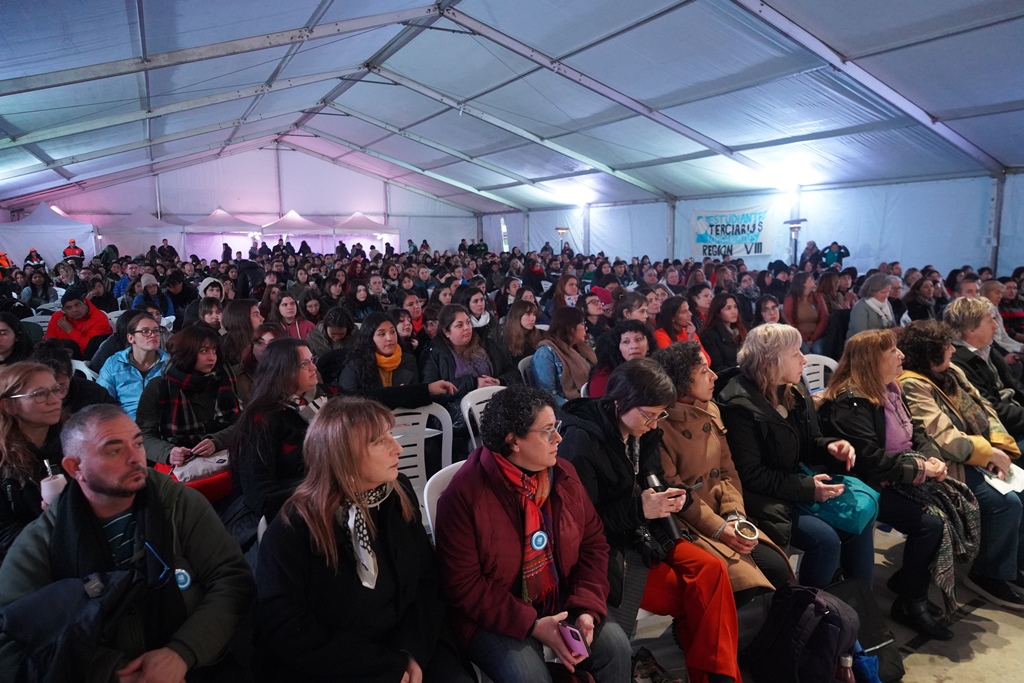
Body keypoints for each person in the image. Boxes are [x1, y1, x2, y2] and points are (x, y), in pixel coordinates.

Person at [0, 404, 253, 681]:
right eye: (114, 449)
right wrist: (115, 673)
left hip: (195, 667)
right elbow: (10, 634)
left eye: (138, 443)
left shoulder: (178, 504)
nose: (135, 458)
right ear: (75, 467)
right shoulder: (44, 539)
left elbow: (231, 577)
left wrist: (182, 652)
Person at [255, 397, 473, 682]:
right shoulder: (293, 529)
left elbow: (427, 581)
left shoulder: (396, 495)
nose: (398, 448)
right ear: (342, 456)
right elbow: (286, 629)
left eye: (391, 436)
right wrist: (384, 668)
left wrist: (411, 653)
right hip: (342, 667)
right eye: (379, 441)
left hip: (410, 645)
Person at [559, 359, 742, 683]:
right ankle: (716, 676)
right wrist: (639, 509)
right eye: (649, 415)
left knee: (711, 569)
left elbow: (650, 479)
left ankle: (719, 674)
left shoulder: (643, 432)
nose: (655, 424)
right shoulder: (581, 441)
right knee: (695, 597)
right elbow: (581, 523)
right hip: (611, 548)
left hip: (647, 531)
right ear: (619, 403)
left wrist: (678, 496)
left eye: (660, 415)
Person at [434, 384, 631, 683]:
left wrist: (587, 608)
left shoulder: (562, 475)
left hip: (558, 596)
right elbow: (464, 585)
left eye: (557, 427)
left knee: (615, 648)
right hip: (495, 613)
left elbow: (593, 544)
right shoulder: (464, 496)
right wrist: (533, 624)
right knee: (527, 675)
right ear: (513, 442)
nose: (559, 438)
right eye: (547, 431)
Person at [820, 330, 976, 639]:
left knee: (956, 502)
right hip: (866, 483)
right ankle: (910, 601)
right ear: (871, 361)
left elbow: (917, 432)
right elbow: (870, 460)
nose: (901, 355)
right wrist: (921, 468)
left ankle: (909, 583)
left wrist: (932, 460)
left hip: (899, 473)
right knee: (931, 523)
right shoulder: (852, 401)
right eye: (892, 351)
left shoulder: (890, 389)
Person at [718, 324, 875, 588]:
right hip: (762, 499)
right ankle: (808, 613)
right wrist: (807, 488)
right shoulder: (739, 405)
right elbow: (750, 475)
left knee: (859, 516)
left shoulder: (792, 388)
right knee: (825, 541)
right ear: (771, 362)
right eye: (796, 353)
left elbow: (809, 441)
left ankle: (860, 606)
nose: (804, 359)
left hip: (794, 484)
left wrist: (831, 446)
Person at [897, 320, 1024, 609]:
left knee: (1022, 489)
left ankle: (1013, 565)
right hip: (947, 464)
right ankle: (987, 574)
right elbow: (943, 438)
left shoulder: (951, 371)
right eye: (947, 347)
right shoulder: (912, 384)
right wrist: (988, 453)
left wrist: (1000, 446)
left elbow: (984, 409)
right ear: (930, 355)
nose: (953, 350)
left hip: (979, 453)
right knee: (1006, 503)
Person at [652, 342, 793, 603]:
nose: (714, 376)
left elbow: (727, 470)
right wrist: (720, 529)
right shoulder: (659, 427)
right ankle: (706, 636)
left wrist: (734, 515)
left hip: (724, 512)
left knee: (777, 568)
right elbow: (678, 494)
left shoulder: (710, 409)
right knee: (741, 585)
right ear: (682, 380)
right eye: (704, 371)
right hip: (692, 523)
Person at [231, 338, 327, 526]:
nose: (313, 367)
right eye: (304, 364)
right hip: (292, 514)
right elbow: (259, 493)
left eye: (312, 360)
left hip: (328, 500)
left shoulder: (323, 400)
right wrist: (318, 496)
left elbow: (369, 397)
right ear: (284, 371)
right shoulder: (261, 418)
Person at [135, 324, 240, 470]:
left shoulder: (222, 379)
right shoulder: (159, 387)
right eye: (203, 351)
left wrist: (217, 440)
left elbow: (241, 423)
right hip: (178, 466)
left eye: (214, 351)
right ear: (187, 352)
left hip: (222, 458)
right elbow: (144, 435)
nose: (212, 358)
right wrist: (168, 452)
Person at [420, 304, 521, 437]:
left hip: (495, 402)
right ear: (446, 332)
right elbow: (432, 392)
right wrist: (473, 383)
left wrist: (499, 381)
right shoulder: (434, 354)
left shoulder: (486, 344)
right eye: (459, 325)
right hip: (459, 416)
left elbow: (513, 371)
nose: (467, 328)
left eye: (468, 322)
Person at [0, 363, 65, 564]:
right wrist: (48, 525)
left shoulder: (74, 441)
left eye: (56, 390)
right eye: (40, 394)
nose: (55, 400)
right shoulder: (4, 459)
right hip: (21, 562)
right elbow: (3, 533)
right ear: (9, 406)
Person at [945, 296, 1024, 439]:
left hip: (1015, 415)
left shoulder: (987, 348)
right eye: (990, 320)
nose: (996, 325)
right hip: (1001, 431)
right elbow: (988, 410)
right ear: (970, 329)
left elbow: (1014, 387)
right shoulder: (957, 363)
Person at [337, 312, 455, 409]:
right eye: (381, 334)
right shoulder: (355, 364)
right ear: (369, 339)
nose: (390, 338)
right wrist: (408, 392)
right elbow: (351, 403)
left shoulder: (408, 360)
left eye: (392, 332)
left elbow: (414, 402)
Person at [96, 312, 168, 420]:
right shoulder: (114, 363)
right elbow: (102, 401)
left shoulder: (170, 364)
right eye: (145, 331)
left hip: (161, 425)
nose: (153, 335)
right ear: (130, 338)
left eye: (156, 330)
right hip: (125, 425)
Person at [531, 307, 596, 405]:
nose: (586, 328)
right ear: (570, 328)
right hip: (567, 408)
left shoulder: (581, 348)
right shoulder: (545, 354)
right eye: (582, 324)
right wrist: (576, 407)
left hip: (587, 400)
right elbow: (547, 395)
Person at [587, 319, 656, 398]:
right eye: (626, 342)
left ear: (648, 345)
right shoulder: (604, 375)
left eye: (639, 339)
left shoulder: (655, 366)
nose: (634, 346)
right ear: (618, 347)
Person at [42, 289, 113, 359]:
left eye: (77, 305)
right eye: (69, 308)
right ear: (64, 310)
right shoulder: (57, 317)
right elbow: (48, 339)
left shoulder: (99, 317)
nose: (75, 310)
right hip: (58, 355)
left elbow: (91, 347)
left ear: (84, 302)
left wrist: (70, 331)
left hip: (87, 359)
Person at [698, 293, 747, 373]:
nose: (734, 312)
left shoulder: (741, 329)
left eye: (735, 307)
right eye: (728, 308)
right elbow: (717, 368)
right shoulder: (709, 335)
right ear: (718, 312)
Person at [783, 272, 829, 355]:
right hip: (797, 336)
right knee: (805, 351)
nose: (814, 280)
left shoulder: (818, 297)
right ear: (803, 283)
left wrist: (813, 338)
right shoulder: (790, 300)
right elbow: (789, 322)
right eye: (810, 279)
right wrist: (804, 338)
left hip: (818, 336)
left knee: (818, 350)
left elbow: (824, 318)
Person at [848, 273, 898, 340]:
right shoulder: (860, 307)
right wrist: (889, 332)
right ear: (871, 291)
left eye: (888, 292)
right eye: (883, 292)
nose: (887, 295)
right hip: (860, 345)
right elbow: (862, 335)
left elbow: (893, 325)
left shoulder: (886, 303)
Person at [501, 299, 543, 365]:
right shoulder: (505, 342)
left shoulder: (540, 334)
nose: (533, 318)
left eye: (534, 314)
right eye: (528, 314)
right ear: (517, 316)